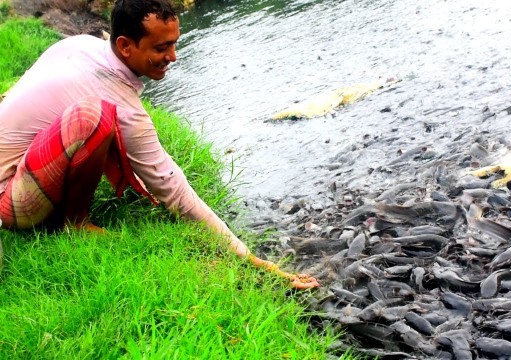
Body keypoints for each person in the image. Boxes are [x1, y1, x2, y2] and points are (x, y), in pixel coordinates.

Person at [0, 0, 318, 289]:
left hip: (25, 165)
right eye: (162, 47)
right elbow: (174, 188)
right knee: (94, 116)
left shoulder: (81, 45)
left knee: (96, 116)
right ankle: (75, 222)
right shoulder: (119, 102)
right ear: (125, 45)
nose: (173, 57)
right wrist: (256, 262)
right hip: (10, 201)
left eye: (174, 44)